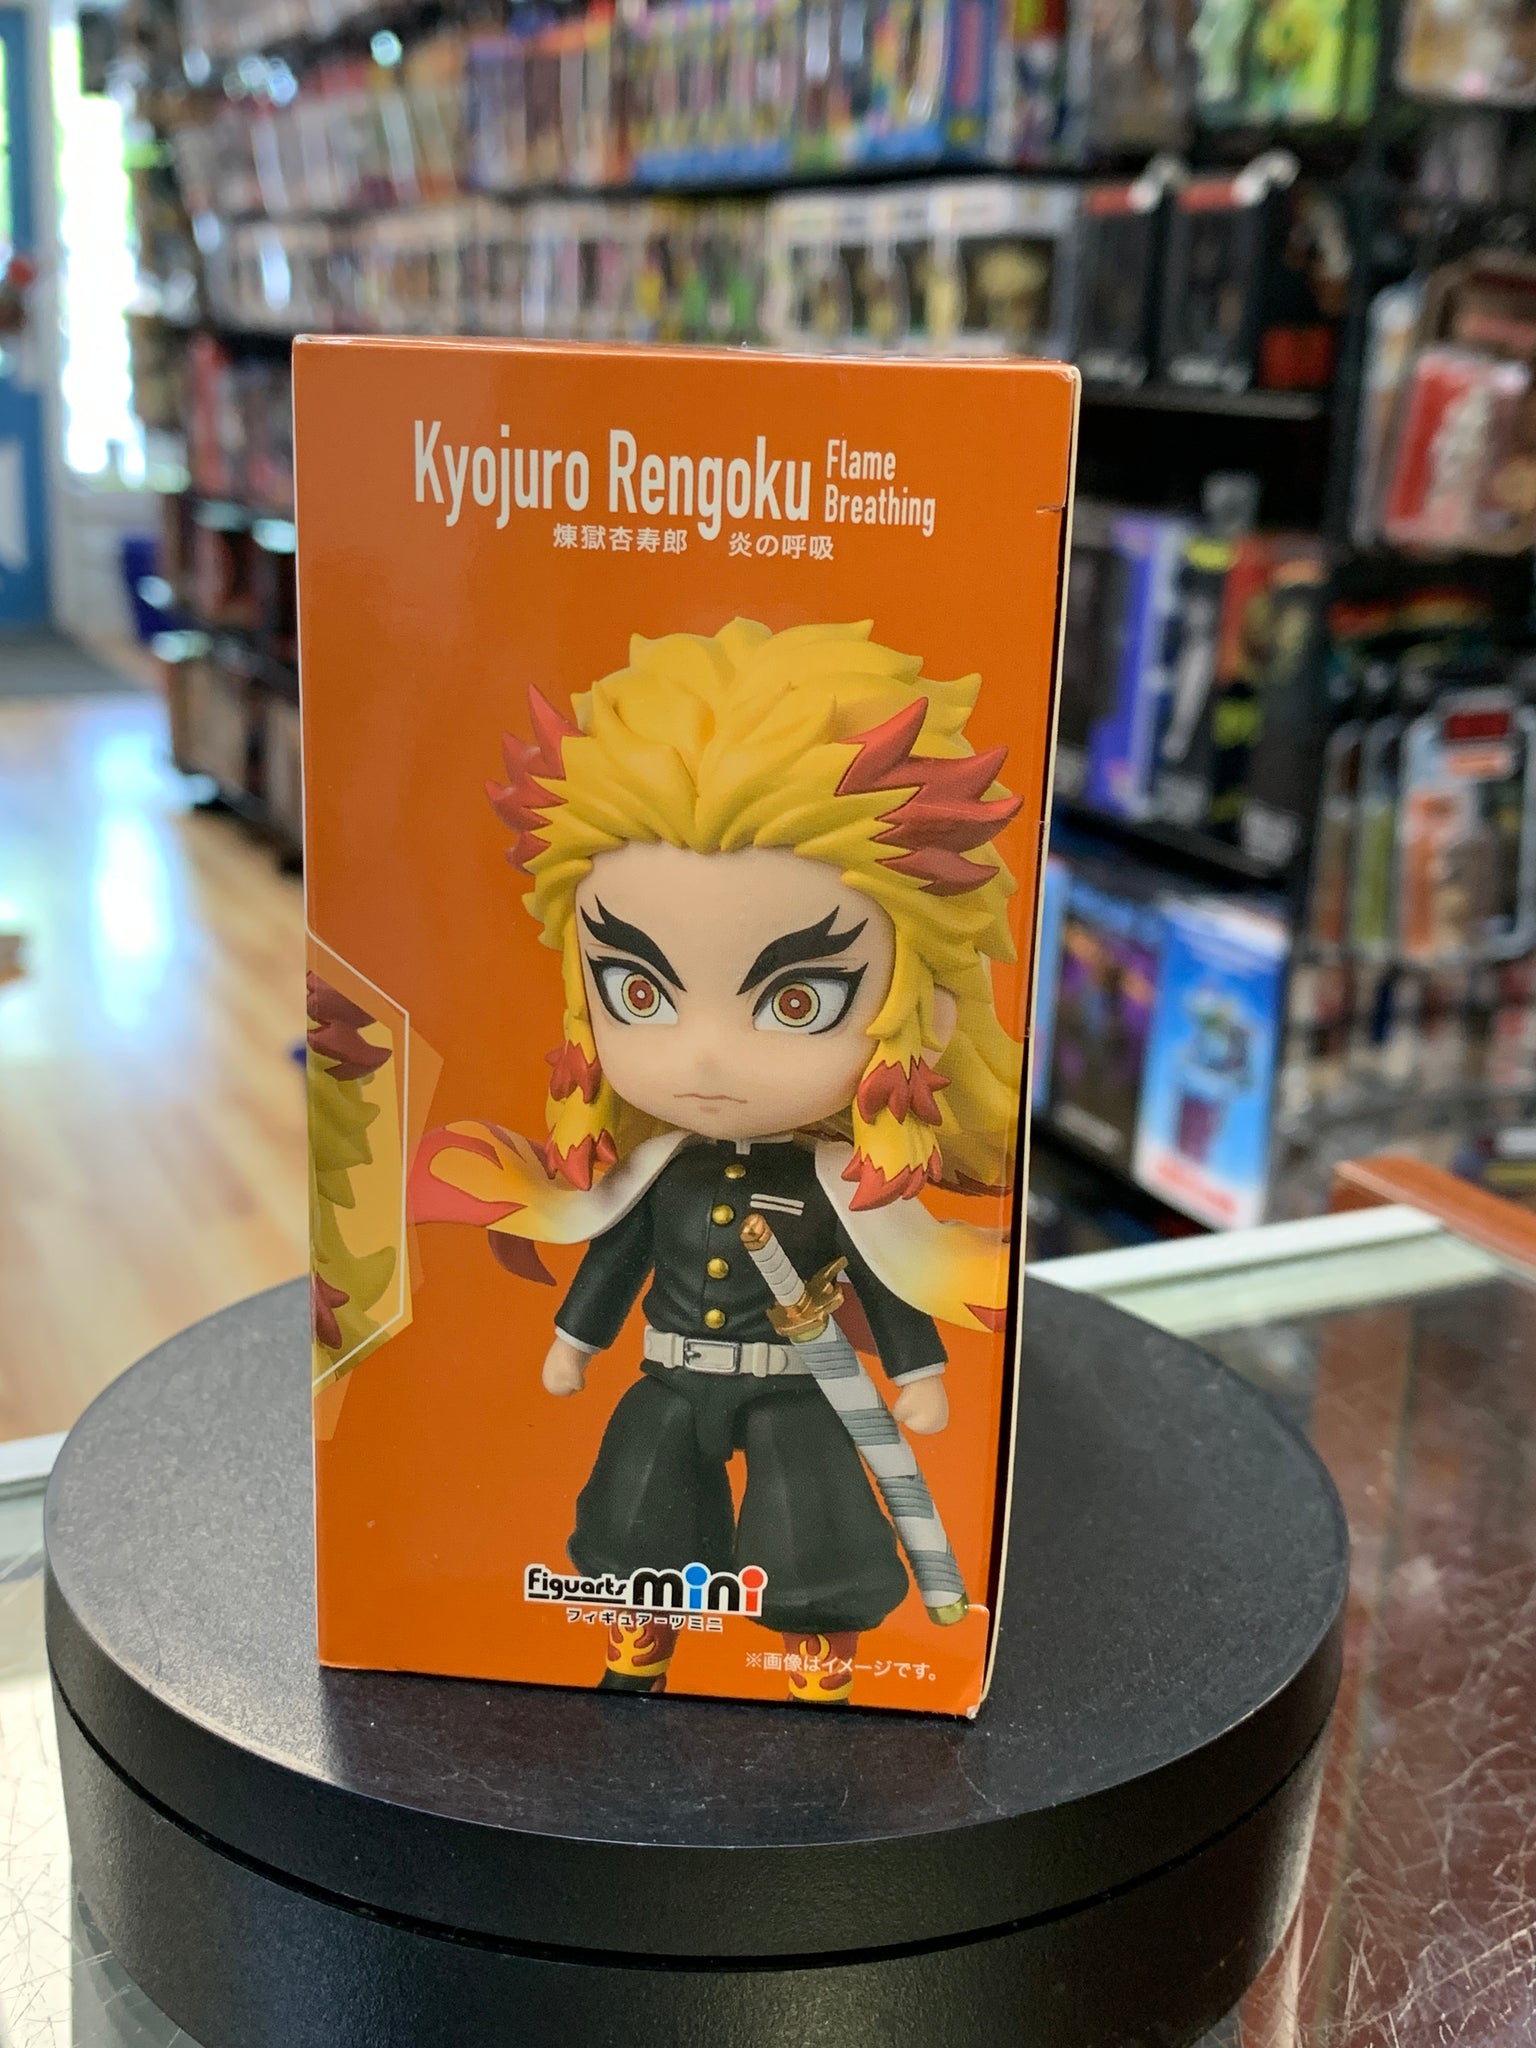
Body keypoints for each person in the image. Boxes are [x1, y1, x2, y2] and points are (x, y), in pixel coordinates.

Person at [413, 617, 1024, 1702]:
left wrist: (918, 1371)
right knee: (638, 1506)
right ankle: (638, 1642)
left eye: (798, 1000)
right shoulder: (662, 1172)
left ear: (919, 1006)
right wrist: (575, 1340)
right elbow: (617, 1257)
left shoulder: (835, 1185)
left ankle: (819, 1669)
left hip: (793, 1385)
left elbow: (885, 1275)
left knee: (809, 1523)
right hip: (672, 1372)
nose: (703, 1057)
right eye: (638, 991)